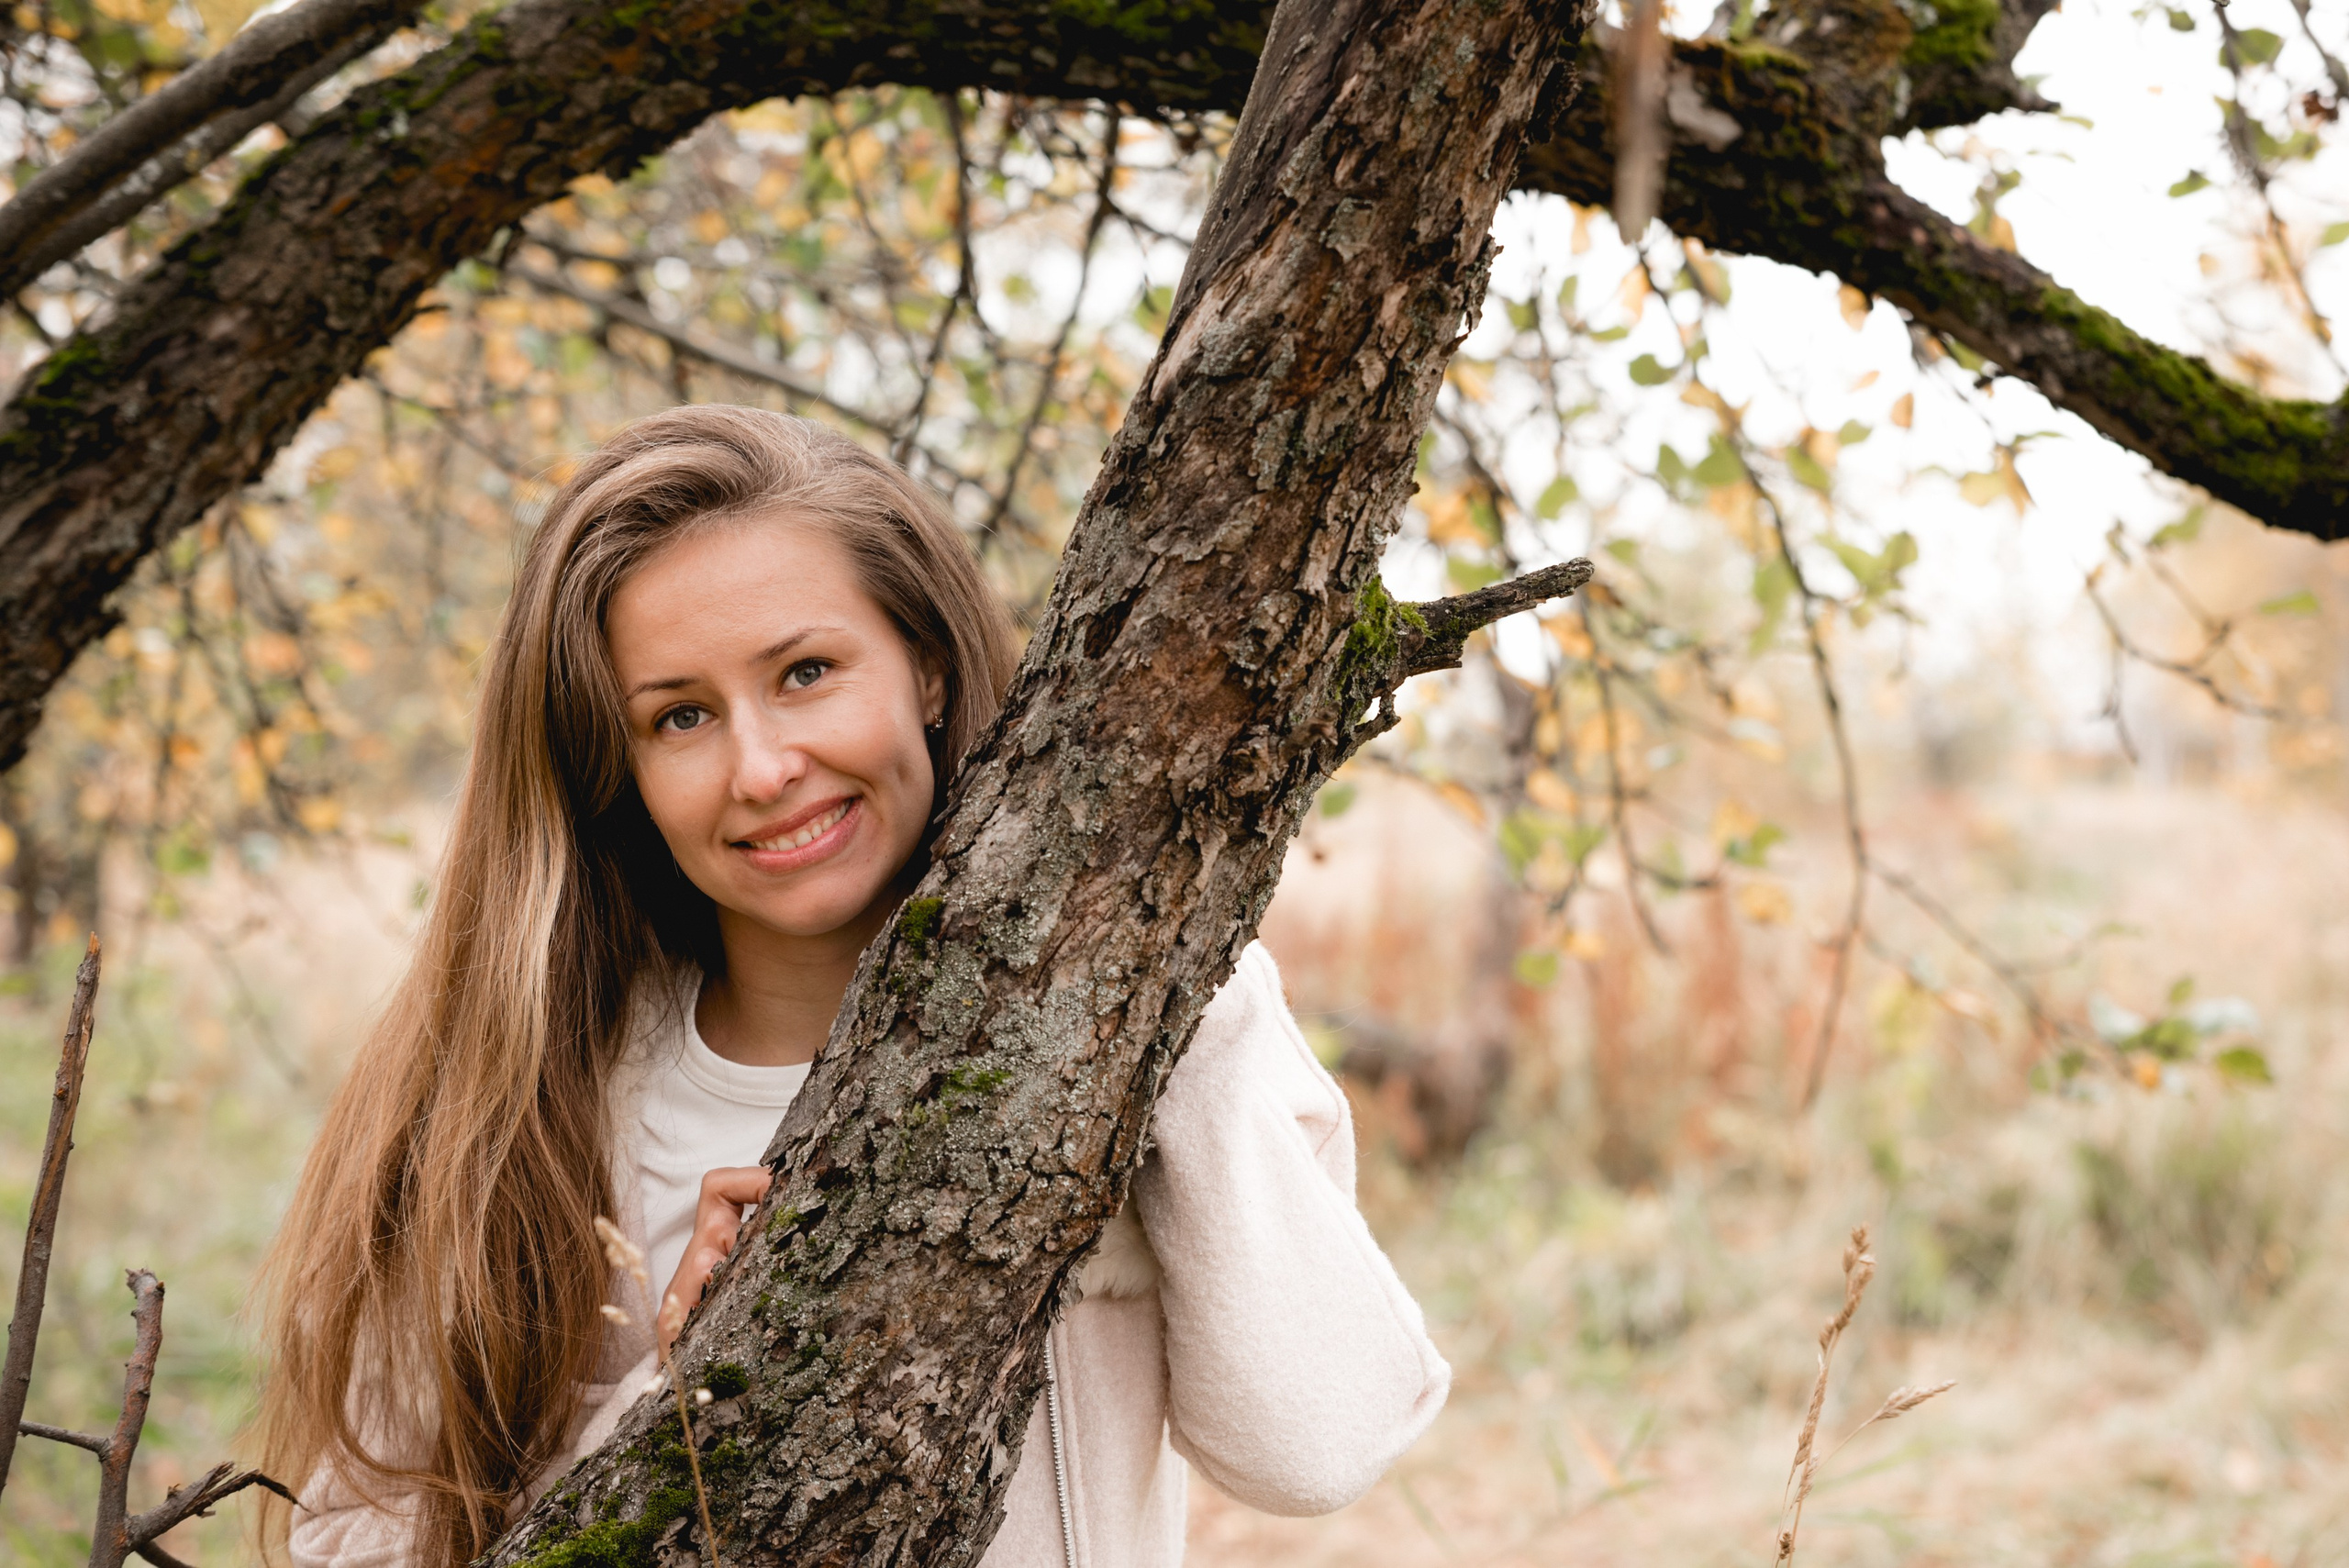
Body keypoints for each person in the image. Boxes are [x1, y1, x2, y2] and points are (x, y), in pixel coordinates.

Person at [257, 405, 1450, 1567]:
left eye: (808, 671)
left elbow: (1317, 1444)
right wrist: (682, 1405)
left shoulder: (1141, 1027)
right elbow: (366, 1541)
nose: (764, 767)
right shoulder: (535, 1107)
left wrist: (1170, 958)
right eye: (679, 716)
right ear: (616, 772)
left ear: (924, 666)